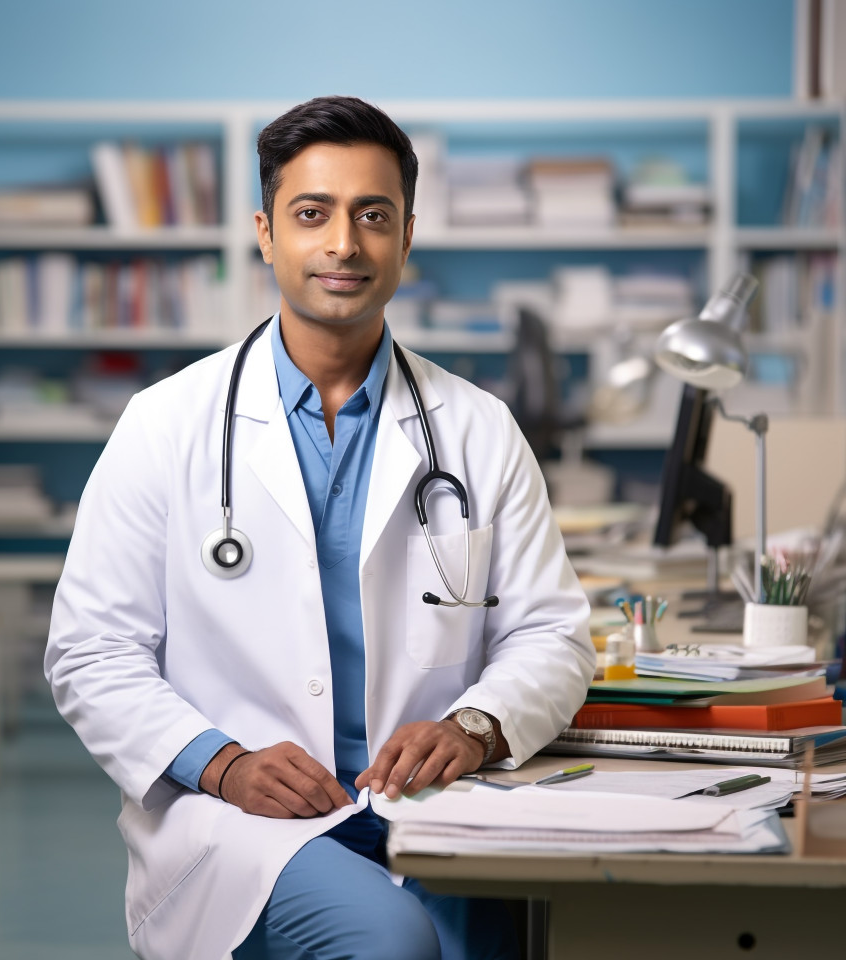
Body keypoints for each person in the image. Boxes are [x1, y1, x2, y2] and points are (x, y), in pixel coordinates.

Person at [45, 95, 595, 960]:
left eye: (373, 216)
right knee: (390, 943)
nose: (344, 244)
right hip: (242, 820)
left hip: (430, 800)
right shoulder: (166, 425)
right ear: (267, 233)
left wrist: (474, 728)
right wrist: (222, 762)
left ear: (407, 237)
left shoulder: (477, 428)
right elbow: (90, 651)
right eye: (313, 215)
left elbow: (551, 637)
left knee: (504, 940)